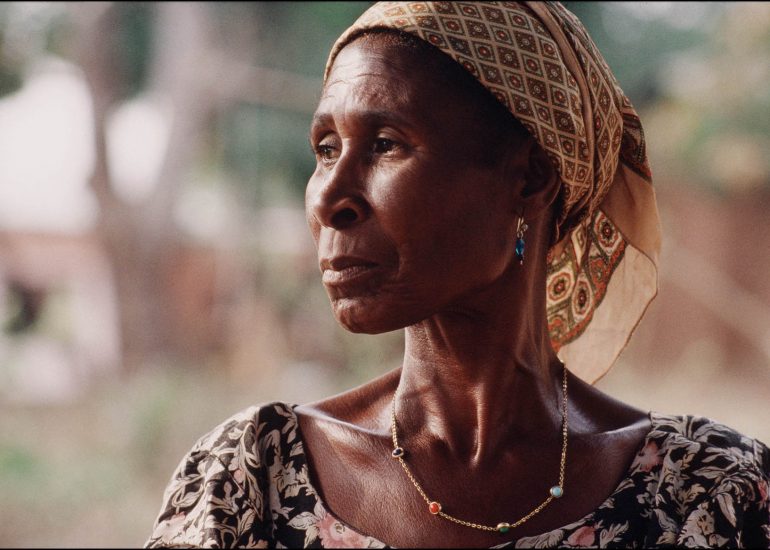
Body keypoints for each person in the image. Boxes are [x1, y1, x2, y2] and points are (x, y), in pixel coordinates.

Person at [145, 2, 770, 548]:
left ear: (529, 178)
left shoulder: (707, 497)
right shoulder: (252, 484)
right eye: (326, 148)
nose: (330, 197)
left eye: (387, 143)